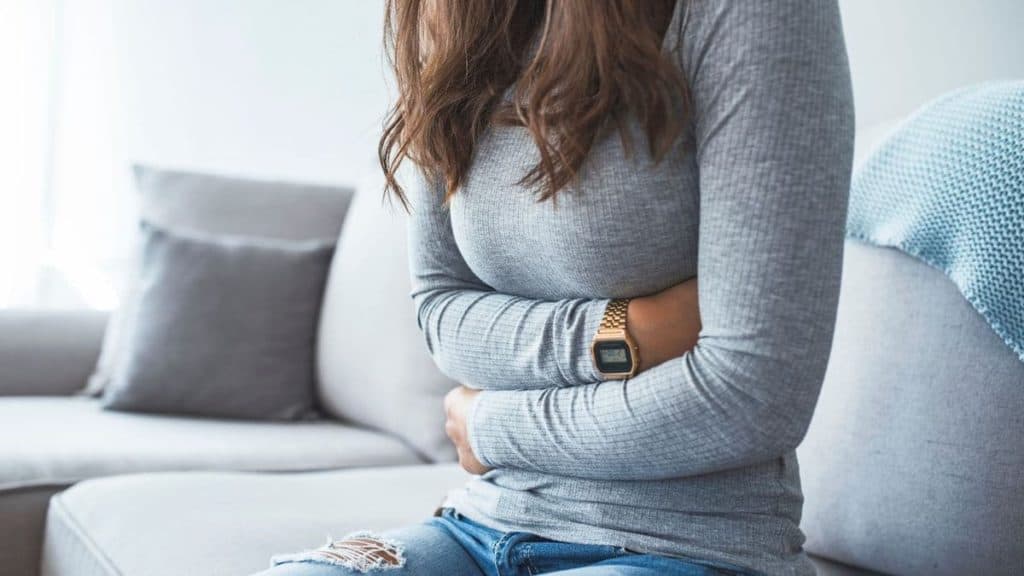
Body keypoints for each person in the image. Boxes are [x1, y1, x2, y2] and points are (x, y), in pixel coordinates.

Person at [259, 1, 853, 574]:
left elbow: (751, 398)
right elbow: (441, 315)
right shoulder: (449, 16)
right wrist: (626, 332)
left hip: (691, 544)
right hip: (481, 523)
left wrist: (490, 427)